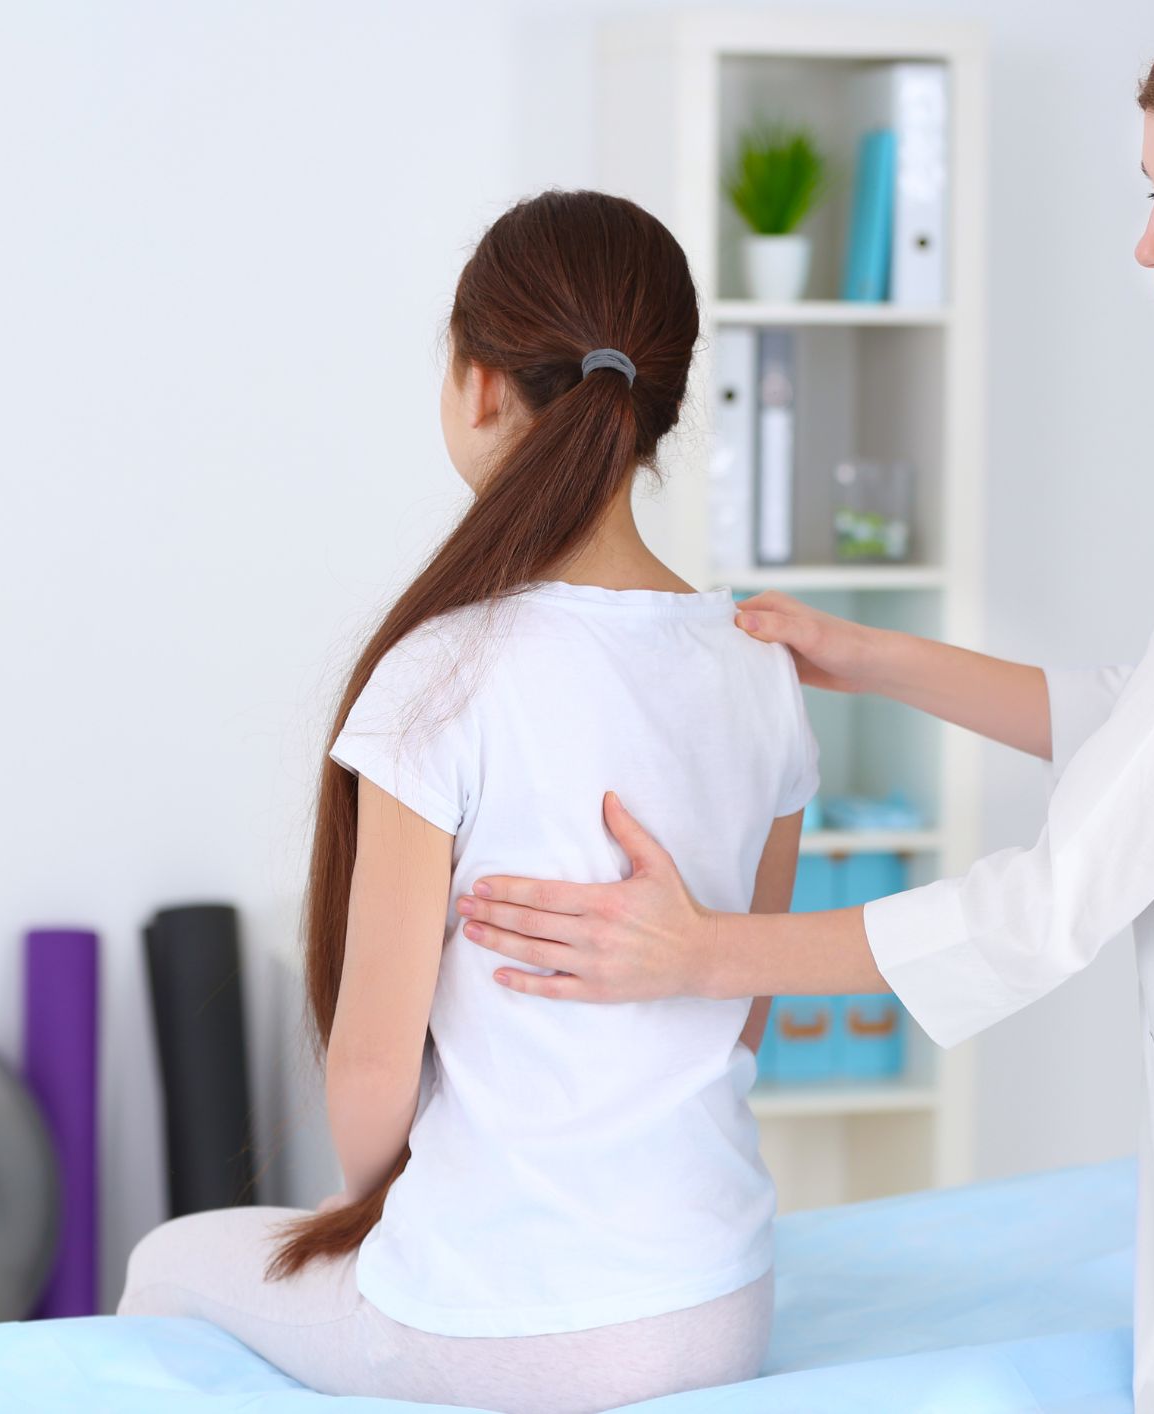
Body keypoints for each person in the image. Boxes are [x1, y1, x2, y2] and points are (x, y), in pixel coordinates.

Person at [450, 3, 1154, 1410]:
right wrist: (877, 658)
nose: (1149, 247)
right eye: (1152, 199)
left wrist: (704, 952)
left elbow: (1053, 901)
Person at [116, 190, 819, 1413]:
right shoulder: (758, 664)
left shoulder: (444, 670)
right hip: (719, 1305)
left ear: (478, 383)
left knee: (165, 1260)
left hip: (492, 1330)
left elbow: (370, 1071)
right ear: (662, 402)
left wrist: (377, 1207)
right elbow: (739, 1012)